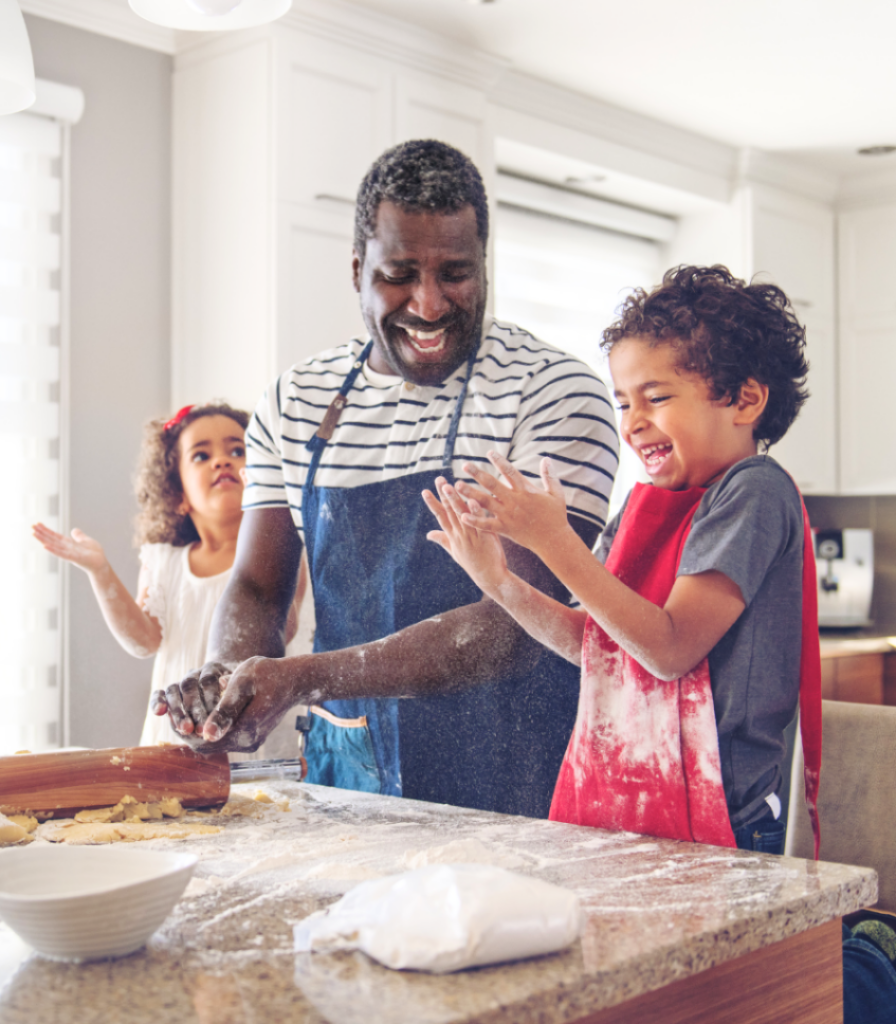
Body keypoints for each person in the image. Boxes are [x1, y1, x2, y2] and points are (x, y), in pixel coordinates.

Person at [153, 139, 619, 818]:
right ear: (356, 270)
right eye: (399, 273)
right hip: (348, 782)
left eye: (455, 273)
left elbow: (516, 622)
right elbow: (257, 585)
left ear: (485, 267)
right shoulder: (296, 400)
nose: (429, 304)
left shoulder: (551, 391)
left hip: (517, 777)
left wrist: (304, 678)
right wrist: (228, 684)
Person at [424, 264, 822, 851]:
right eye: (623, 403)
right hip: (631, 806)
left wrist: (555, 542)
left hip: (725, 827)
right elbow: (597, 650)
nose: (633, 424)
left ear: (745, 400)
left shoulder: (754, 492)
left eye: (656, 398)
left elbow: (668, 649)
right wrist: (501, 582)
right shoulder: (639, 509)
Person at [32, 402, 305, 748]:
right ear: (177, 496)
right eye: (201, 456)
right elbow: (143, 641)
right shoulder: (163, 562)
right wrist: (100, 571)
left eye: (238, 450)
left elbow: (284, 628)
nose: (223, 460)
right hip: (177, 735)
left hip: (251, 736)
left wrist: (278, 511)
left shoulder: (286, 547)